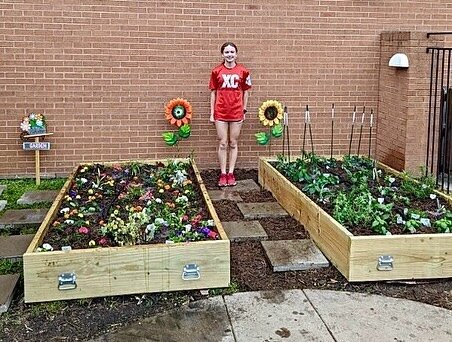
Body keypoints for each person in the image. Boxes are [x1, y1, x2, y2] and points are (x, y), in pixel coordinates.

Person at [209, 42, 252, 187]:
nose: (229, 54)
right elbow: (213, 93)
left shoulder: (243, 71)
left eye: (232, 52)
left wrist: (244, 109)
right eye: (226, 52)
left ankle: (231, 173)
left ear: (236, 54)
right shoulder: (216, 71)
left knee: (233, 143)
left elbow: (246, 91)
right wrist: (212, 113)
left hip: (236, 112)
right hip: (220, 112)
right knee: (222, 143)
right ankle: (222, 173)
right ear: (222, 54)